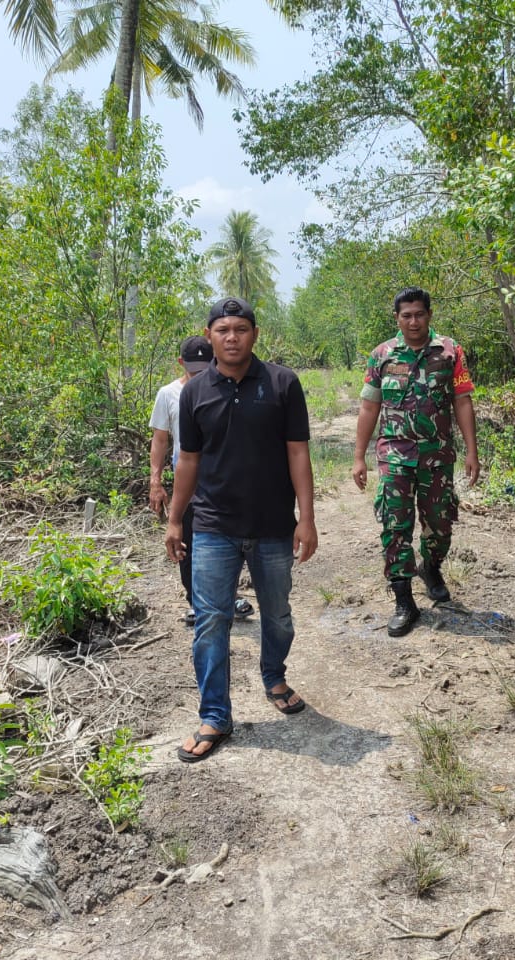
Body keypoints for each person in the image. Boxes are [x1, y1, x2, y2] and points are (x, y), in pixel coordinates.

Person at [165, 296, 319, 763]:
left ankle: (274, 675)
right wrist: (175, 518)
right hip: (213, 525)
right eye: (223, 329)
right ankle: (215, 715)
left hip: (273, 524)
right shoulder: (194, 392)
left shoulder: (282, 384)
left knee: (277, 614)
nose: (232, 337)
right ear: (209, 335)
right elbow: (188, 461)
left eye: (241, 329)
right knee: (210, 620)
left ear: (255, 334)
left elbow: (297, 453)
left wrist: (307, 519)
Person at [352, 287, 479, 637]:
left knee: (440, 524)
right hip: (394, 458)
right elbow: (369, 407)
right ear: (397, 318)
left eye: (419, 314)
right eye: (406, 315)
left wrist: (472, 451)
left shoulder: (450, 352)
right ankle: (404, 599)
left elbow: (463, 402)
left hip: (437, 457)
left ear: (429, 315)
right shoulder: (382, 355)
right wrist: (359, 456)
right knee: (395, 527)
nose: (413, 321)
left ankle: (432, 567)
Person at [148, 336, 254, 625]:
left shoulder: (227, 389)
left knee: (229, 540)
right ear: (181, 363)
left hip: (224, 476)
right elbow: (160, 440)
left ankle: (228, 597)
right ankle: (196, 600)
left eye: (204, 368)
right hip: (188, 478)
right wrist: (155, 481)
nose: (198, 374)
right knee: (188, 540)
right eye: (192, 369)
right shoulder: (168, 394)